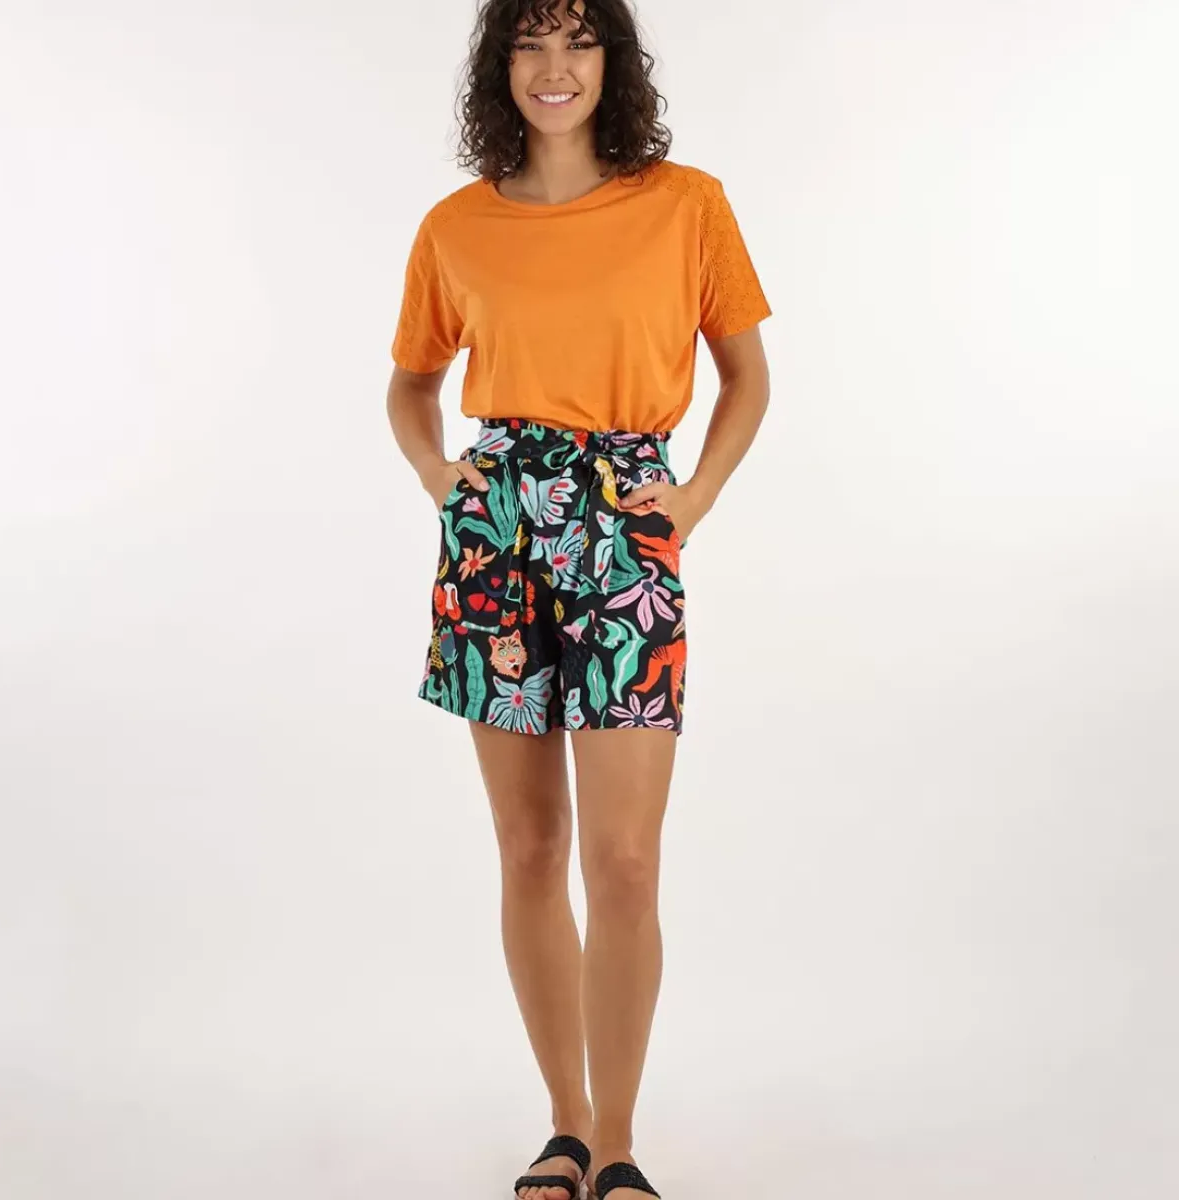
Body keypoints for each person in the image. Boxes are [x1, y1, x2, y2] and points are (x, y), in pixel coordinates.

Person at [386, 2, 771, 1197]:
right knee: (530, 847)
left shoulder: (687, 205)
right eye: (531, 44)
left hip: (624, 523)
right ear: (501, 66)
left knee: (626, 859)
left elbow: (747, 377)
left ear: (614, 60)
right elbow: (410, 384)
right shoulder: (456, 226)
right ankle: (564, 1127)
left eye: (579, 41)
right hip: (496, 530)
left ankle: (618, 1145)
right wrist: (442, 476)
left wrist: (693, 500)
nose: (555, 68)